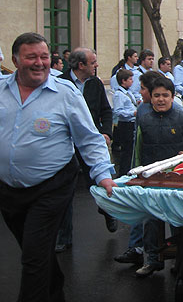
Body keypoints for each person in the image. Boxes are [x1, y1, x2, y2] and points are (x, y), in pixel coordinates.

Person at [0, 32, 117, 302]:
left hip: (51, 186)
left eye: (44, 57)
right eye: (31, 57)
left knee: (33, 255)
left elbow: (89, 138)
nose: (39, 63)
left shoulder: (65, 93)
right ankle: (54, 291)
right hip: (9, 190)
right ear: (16, 60)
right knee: (35, 251)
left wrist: (102, 174)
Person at [132, 76, 183, 277]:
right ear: (151, 98)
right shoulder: (143, 120)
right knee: (151, 221)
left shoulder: (182, 117)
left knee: (178, 222)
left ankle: (179, 261)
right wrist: (135, 175)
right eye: (157, 95)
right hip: (152, 179)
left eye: (165, 95)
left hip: (177, 179)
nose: (161, 99)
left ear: (173, 97)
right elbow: (136, 151)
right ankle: (152, 260)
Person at [57, 47, 117, 253]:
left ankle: (107, 210)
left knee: (100, 181)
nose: (97, 65)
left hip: (91, 141)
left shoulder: (96, 84)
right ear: (81, 65)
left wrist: (107, 133)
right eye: (93, 62)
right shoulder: (61, 83)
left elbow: (105, 111)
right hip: (66, 143)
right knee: (65, 191)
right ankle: (64, 237)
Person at [112, 69, 137, 176]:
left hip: (132, 124)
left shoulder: (128, 92)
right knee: (126, 151)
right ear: (123, 81)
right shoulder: (119, 94)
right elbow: (118, 111)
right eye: (130, 79)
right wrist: (132, 113)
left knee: (131, 150)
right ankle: (123, 173)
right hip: (126, 125)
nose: (132, 81)